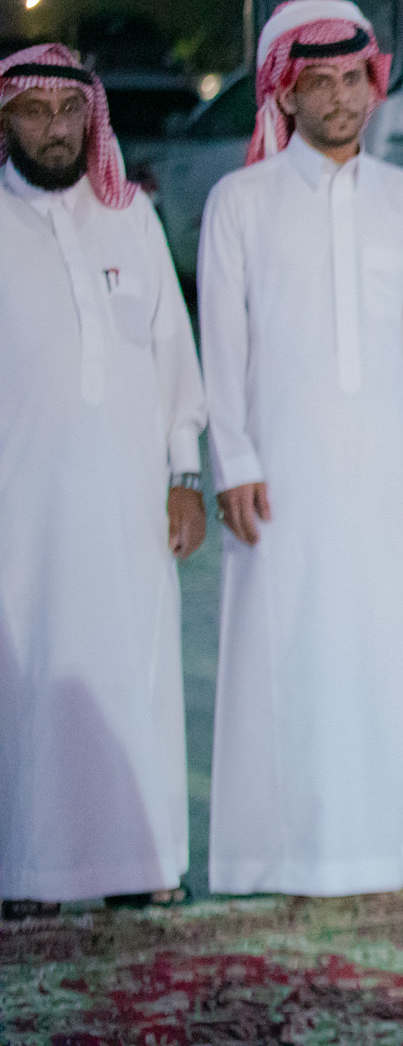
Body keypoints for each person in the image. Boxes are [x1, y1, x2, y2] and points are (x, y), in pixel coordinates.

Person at [200, 0, 403, 895]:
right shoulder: (240, 202)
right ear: (285, 92)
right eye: (321, 82)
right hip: (284, 472)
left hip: (389, 468)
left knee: (396, 643)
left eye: (355, 79)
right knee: (291, 652)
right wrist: (235, 461)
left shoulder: (401, 198)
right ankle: (278, 850)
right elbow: (220, 346)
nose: (344, 98)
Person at [0, 45, 205, 918]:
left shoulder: (132, 219)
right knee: (27, 684)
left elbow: (171, 352)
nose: (55, 128)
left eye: (69, 111)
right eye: (35, 111)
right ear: (5, 119)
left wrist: (185, 471)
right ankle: (29, 874)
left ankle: (144, 858)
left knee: (137, 671)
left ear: (92, 117)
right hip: (23, 515)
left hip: (129, 509)